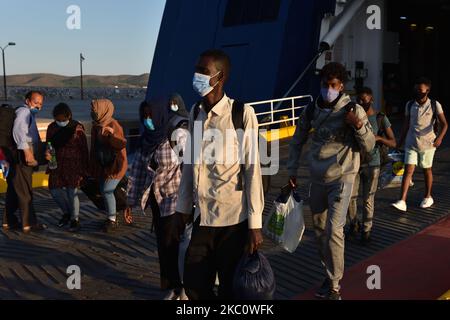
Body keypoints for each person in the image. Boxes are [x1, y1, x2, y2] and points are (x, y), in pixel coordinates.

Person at [175, 49, 265, 300]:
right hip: (201, 218)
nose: (197, 76)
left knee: (229, 288)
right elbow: (190, 165)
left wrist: (254, 225)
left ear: (220, 76)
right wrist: (182, 208)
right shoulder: (195, 112)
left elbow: (253, 170)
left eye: (203, 71)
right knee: (194, 286)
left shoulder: (241, 113)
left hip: (232, 222)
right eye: (196, 70)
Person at [287, 62, 375, 300]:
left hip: (342, 178)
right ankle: (330, 274)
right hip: (317, 177)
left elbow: (369, 145)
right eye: (325, 84)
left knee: (334, 229)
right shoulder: (311, 109)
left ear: (341, 86)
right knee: (319, 231)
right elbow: (297, 140)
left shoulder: (354, 110)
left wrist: (357, 125)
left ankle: (335, 285)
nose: (328, 89)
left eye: (333, 85)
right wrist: (292, 170)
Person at [127, 97, 189, 300]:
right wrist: (129, 202)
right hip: (156, 200)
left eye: (150, 115)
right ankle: (172, 286)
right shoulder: (145, 140)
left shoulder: (176, 137)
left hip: (176, 199)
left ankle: (185, 287)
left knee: (176, 245)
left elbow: (191, 166)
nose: (147, 120)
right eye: (144, 116)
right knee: (163, 245)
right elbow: (136, 172)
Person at [346, 87, 397, 244]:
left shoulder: (381, 118)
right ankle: (354, 224)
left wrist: (379, 139)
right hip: (355, 163)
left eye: (364, 100)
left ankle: (366, 230)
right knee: (350, 198)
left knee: (368, 199)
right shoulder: (353, 118)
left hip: (373, 164)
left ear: (371, 100)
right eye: (359, 100)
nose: (361, 103)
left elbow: (393, 142)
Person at [392, 77, 448, 212]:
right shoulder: (410, 105)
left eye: (420, 90)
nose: (418, 92)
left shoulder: (435, 104)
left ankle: (428, 196)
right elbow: (406, 125)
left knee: (426, 170)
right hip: (411, 143)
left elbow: (444, 124)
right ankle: (402, 200)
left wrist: (439, 138)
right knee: (408, 171)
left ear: (427, 91)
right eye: (416, 89)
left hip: (428, 144)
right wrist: (399, 142)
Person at [3, 91, 47, 233]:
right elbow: (18, 132)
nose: (38, 106)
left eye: (41, 104)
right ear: (27, 101)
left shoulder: (28, 113)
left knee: (14, 191)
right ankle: (29, 223)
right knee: (25, 191)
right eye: (36, 102)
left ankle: (8, 221)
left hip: (15, 157)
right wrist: (27, 152)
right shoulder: (24, 112)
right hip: (21, 158)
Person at [45, 103, 89, 232]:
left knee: (72, 192)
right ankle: (67, 212)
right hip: (56, 164)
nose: (60, 122)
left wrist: (85, 168)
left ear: (68, 116)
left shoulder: (77, 128)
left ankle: (75, 219)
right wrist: (48, 154)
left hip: (74, 165)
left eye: (62, 120)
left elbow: (84, 149)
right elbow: (49, 144)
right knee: (54, 191)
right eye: (57, 120)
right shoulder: (52, 128)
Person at [89, 99, 128, 233]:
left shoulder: (114, 124)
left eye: (95, 110)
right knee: (104, 191)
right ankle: (112, 214)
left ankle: (112, 219)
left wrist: (111, 134)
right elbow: (94, 147)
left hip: (116, 165)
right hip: (102, 165)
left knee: (107, 190)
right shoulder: (96, 126)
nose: (93, 113)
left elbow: (121, 144)